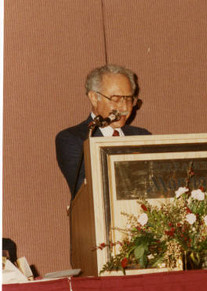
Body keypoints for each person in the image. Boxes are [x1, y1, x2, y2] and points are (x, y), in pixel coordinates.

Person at [56, 64, 151, 198]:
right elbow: (85, 190)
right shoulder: (72, 139)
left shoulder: (143, 136)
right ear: (94, 98)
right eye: (116, 99)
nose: (124, 107)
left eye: (129, 99)